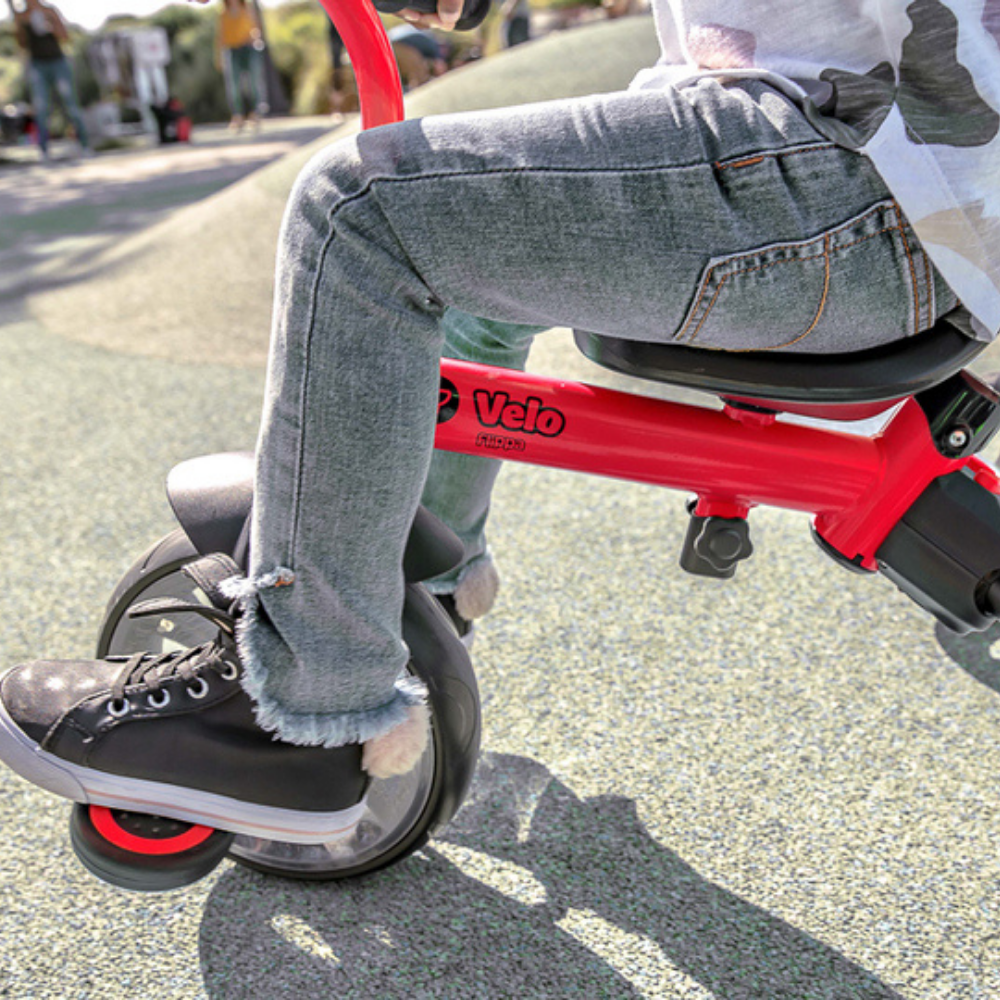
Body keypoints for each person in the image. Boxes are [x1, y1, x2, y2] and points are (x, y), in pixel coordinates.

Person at [1, 1, 998, 844]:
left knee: (364, 212)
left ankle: (296, 715)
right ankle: (426, 584)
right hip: (844, 153)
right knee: (477, 263)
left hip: (871, 178)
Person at [9, 0, 92, 161]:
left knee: (71, 104)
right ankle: (44, 151)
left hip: (58, 62)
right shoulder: (21, 15)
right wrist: (20, 25)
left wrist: (50, 24)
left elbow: (65, 36)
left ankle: (84, 144)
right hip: (37, 64)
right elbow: (21, 44)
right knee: (40, 107)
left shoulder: (49, 10)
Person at [216, 0, 266, 130]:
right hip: (232, 51)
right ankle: (238, 116)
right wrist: (219, 56)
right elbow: (221, 36)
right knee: (234, 86)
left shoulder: (247, 9)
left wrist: (255, 38)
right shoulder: (223, 14)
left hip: (248, 48)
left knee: (254, 83)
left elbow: (255, 28)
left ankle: (255, 113)